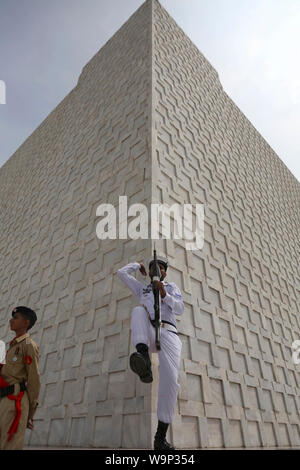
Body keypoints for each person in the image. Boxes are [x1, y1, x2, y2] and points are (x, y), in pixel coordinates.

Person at [117, 256, 184, 450]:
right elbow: (122, 274)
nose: (157, 269)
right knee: (138, 311)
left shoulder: (171, 287)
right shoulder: (142, 288)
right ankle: (143, 359)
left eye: (161, 268)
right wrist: (137, 265)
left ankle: (160, 437)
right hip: (149, 332)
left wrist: (164, 295)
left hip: (169, 332)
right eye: (154, 266)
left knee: (170, 381)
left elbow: (180, 308)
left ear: (165, 272)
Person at [0, 306, 41, 450]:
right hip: (4, 399)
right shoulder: (12, 346)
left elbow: (34, 379)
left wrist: (30, 412)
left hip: (15, 400)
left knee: (9, 445)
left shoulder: (29, 345)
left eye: (16, 318)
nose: (11, 321)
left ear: (26, 322)